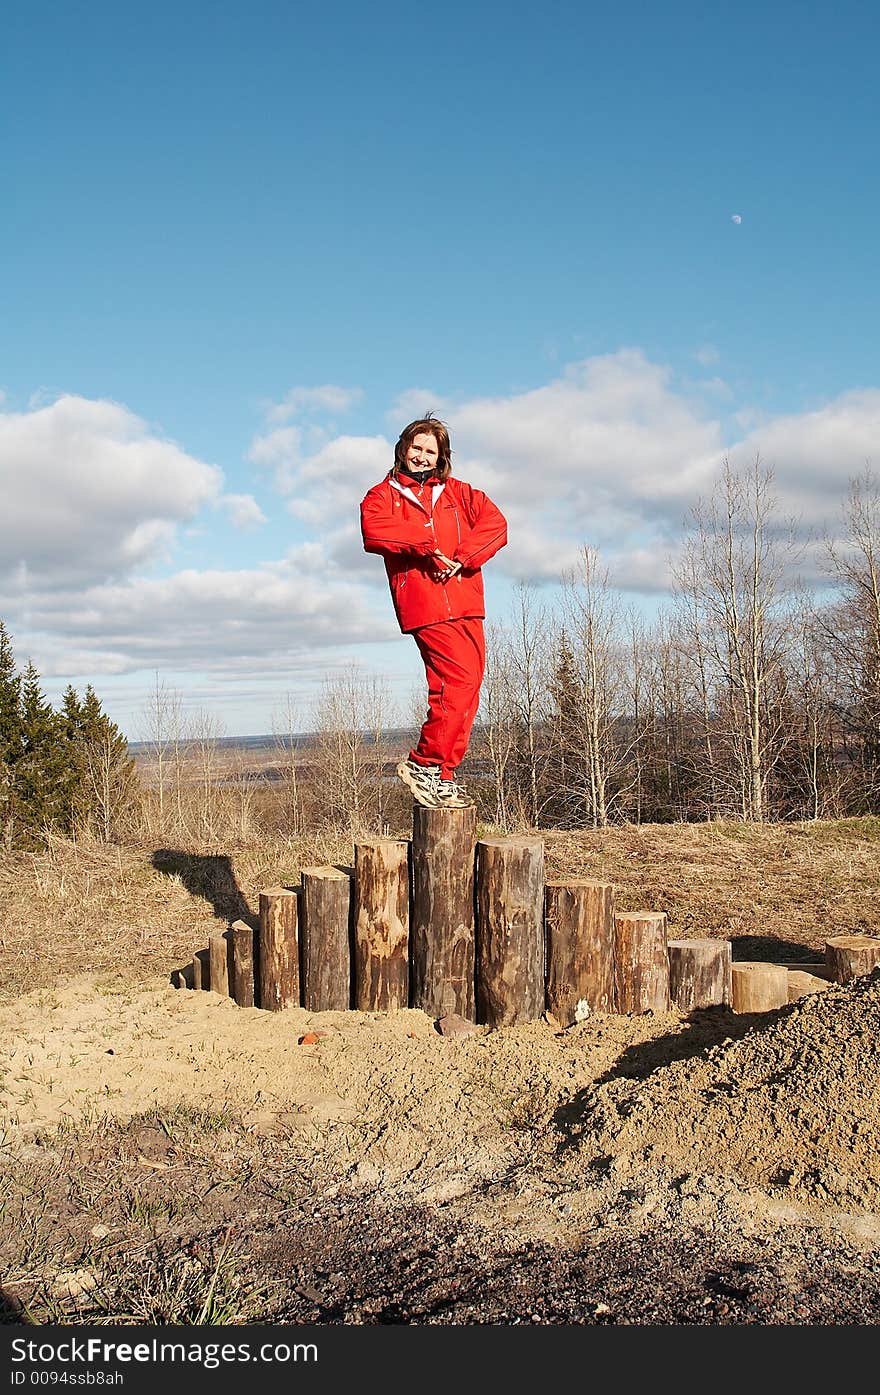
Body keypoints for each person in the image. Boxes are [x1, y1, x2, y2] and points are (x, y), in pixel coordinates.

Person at [360, 413, 507, 808]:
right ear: (403, 449)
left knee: (467, 689)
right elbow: (375, 531)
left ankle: (442, 774)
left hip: (467, 600)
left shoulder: (459, 492)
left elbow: (496, 524)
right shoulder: (383, 495)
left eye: (431, 450)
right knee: (457, 682)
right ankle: (423, 763)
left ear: (441, 457)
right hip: (425, 602)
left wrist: (464, 555)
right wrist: (426, 541)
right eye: (416, 447)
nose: (422, 456)